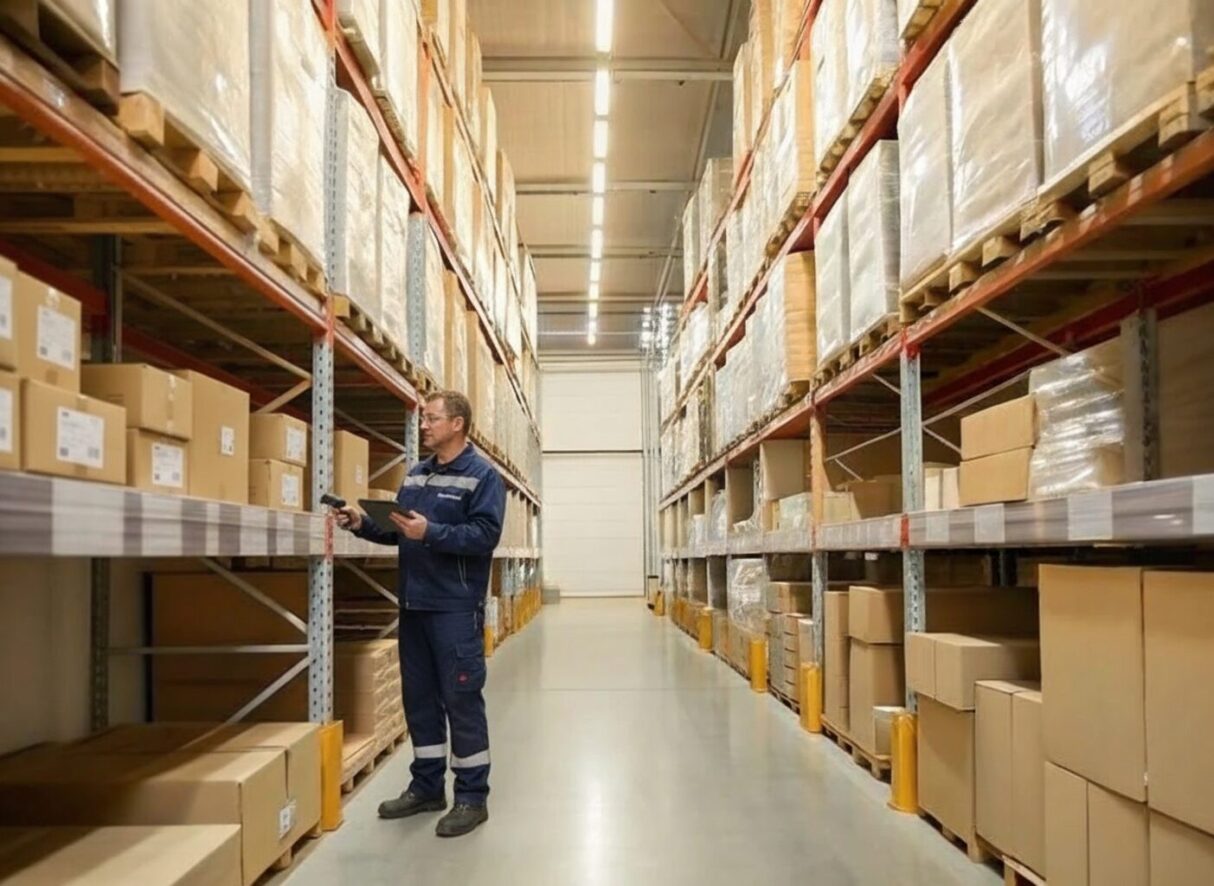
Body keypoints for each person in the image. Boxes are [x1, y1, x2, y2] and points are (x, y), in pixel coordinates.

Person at [334, 390, 504, 838]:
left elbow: (484, 536)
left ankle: (472, 797)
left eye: (431, 418)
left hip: (454, 607)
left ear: (457, 424)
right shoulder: (417, 475)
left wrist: (432, 532)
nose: (423, 425)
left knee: (461, 701)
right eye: (423, 418)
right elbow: (398, 532)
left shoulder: (482, 477)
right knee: (420, 701)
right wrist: (361, 523)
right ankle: (427, 787)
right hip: (413, 606)